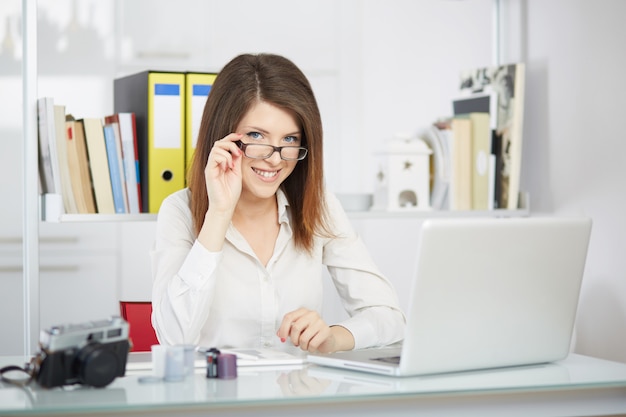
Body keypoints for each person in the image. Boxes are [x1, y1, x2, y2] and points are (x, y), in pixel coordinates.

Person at [151, 53, 405, 354]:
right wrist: (218, 213)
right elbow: (174, 338)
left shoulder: (319, 205)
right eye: (257, 135)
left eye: (289, 140)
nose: (274, 159)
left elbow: (390, 318)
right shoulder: (178, 211)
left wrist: (333, 337)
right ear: (223, 137)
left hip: (296, 396)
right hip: (215, 396)